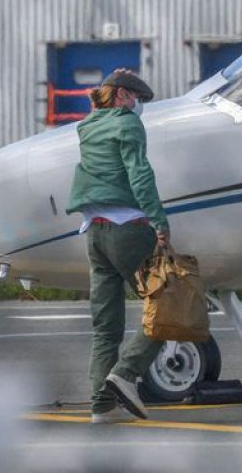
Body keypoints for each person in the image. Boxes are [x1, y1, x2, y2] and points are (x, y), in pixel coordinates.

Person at [65, 69, 170, 424]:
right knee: (167, 306)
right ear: (124, 95)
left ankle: (102, 406)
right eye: (137, 99)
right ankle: (126, 373)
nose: (138, 106)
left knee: (106, 326)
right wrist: (159, 220)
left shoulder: (89, 125)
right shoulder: (127, 124)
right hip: (128, 229)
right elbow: (139, 173)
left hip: (94, 233)